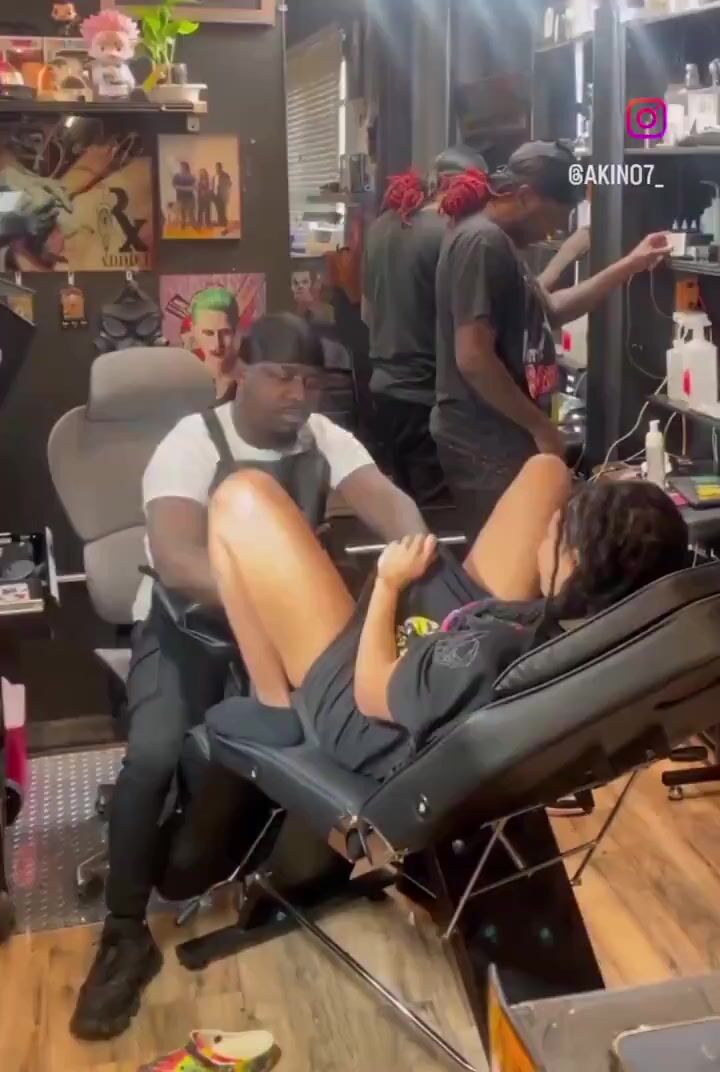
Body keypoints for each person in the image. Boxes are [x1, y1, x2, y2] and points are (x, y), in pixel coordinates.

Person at [70, 313, 429, 1042]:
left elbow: (388, 502)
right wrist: (268, 594)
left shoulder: (324, 439)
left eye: (310, 381)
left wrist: (417, 547)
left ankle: (303, 867)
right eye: (281, 377)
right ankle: (124, 932)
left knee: (342, 729)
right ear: (240, 371)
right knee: (154, 755)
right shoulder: (191, 443)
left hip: (273, 630)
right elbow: (177, 559)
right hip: (188, 628)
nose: (298, 395)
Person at [165, 459, 688, 888]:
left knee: (239, 495)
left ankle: (273, 702)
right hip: (463, 637)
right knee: (548, 470)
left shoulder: (477, 659)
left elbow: (372, 691)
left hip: (363, 704)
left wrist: (389, 583)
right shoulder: (602, 628)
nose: (553, 522)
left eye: (562, 528)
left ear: (573, 563)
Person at [432, 139, 673, 537]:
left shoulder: (498, 242)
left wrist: (631, 264)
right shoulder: (482, 242)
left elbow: (552, 309)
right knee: (512, 557)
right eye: (554, 217)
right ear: (526, 196)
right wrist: (541, 427)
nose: (554, 231)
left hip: (500, 435)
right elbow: (473, 357)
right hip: (486, 438)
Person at [361, 146, 487, 507]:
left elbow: (367, 312)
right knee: (441, 516)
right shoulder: (450, 236)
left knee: (407, 507)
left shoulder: (381, 227)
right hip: (426, 400)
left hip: (384, 392)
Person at [185, 286, 240, 401]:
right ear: (193, 330)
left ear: (235, 330)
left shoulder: (251, 385)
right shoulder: (185, 383)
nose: (217, 344)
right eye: (208, 333)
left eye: (225, 332)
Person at [172, 161, 196, 230]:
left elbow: (192, 188)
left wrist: (181, 188)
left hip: (190, 197)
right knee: (182, 213)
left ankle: (195, 227)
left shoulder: (191, 176)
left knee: (190, 213)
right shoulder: (176, 176)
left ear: (187, 168)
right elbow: (175, 186)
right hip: (180, 197)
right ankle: (183, 225)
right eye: (181, 167)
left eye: (183, 167)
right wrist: (186, 188)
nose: (182, 168)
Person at [212, 161, 232, 230]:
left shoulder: (225, 175)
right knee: (218, 209)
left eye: (218, 167)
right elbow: (213, 185)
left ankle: (224, 223)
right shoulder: (214, 176)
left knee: (223, 209)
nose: (217, 168)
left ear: (221, 167)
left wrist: (223, 186)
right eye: (216, 167)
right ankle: (220, 222)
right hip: (215, 194)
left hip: (222, 194)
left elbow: (229, 184)